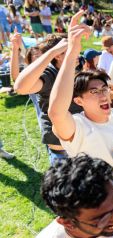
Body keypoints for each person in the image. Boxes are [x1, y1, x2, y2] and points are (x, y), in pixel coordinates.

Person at [48, 13, 113, 183]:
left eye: (104, 89)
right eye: (94, 92)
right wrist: (72, 52)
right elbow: (56, 113)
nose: (103, 95)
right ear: (78, 101)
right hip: (98, 202)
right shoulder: (76, 127)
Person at [14, 34, 79, 165]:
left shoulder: (76, 67)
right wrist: (51, 52)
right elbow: (20, 87)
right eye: (71, 48)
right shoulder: (49, 74)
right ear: (58, 55)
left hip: (82, 143)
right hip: (63, 153)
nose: (76, 52)